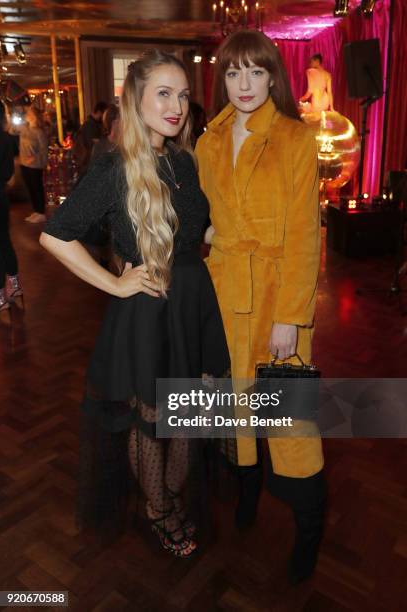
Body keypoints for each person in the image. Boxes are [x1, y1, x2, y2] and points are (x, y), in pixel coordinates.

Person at [40, 50, 230, 557]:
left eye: (184, 95)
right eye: (163, 93)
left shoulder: (184, 160)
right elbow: (56, 237)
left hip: (193, 304)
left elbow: (199, 230)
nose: (177, 106)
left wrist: (239, 232)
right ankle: (157, 507)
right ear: (137, 98)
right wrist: (115, 283)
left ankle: (167, 496)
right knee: (150, 419)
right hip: (148, 308)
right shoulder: (114, 168)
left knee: (190, 415)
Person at [195, 30, 326, 584]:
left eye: (254, 72)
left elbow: (303, 236)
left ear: (273, 76)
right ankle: (246, 497)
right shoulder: (207, 141)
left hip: (276, 299)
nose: (243, 85)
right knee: (235, 413)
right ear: (221, 78)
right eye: (232, 73)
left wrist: (289, 319)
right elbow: (208, 212)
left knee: (290, 423)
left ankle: (309, 529)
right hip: (224, 294)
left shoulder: (296, 139)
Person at [0, 101, 23, 314]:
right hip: (1, 195)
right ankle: (14, 286)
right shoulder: (7, 138)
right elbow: (8, 173)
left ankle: (0, 296)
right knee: (4, 240)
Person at [20, 106, 48, 223]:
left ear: (34, 116)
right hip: (24, 163)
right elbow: (11, 130)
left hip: (35, 165)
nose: (27, 115)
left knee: (36, 187)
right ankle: (36, 210)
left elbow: (43, 150)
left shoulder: (39, 132)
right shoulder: (24, 129)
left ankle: (41, 212)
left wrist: (36, 159)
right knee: (30, 188)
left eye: (29, 113)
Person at [73, 101, 108, 174]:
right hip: (89, 162)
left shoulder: (89, 123)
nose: (104, 118)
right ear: (99, 112)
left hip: (88, 162)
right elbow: (92, 145)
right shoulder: (90, 125)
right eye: (104, 114)